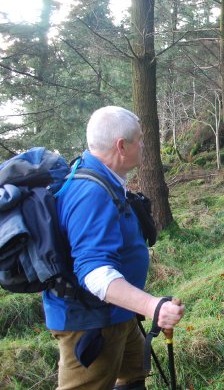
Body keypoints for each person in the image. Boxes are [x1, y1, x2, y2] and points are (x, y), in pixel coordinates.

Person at [43, 106, 185, 389]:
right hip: (91, 324)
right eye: (140, 139)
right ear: (122, 145)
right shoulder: (91, 193)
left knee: (133, 373)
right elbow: (93, 272)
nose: (144, 145)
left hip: (117, 314)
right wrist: (152, 306)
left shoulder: (102, 179)